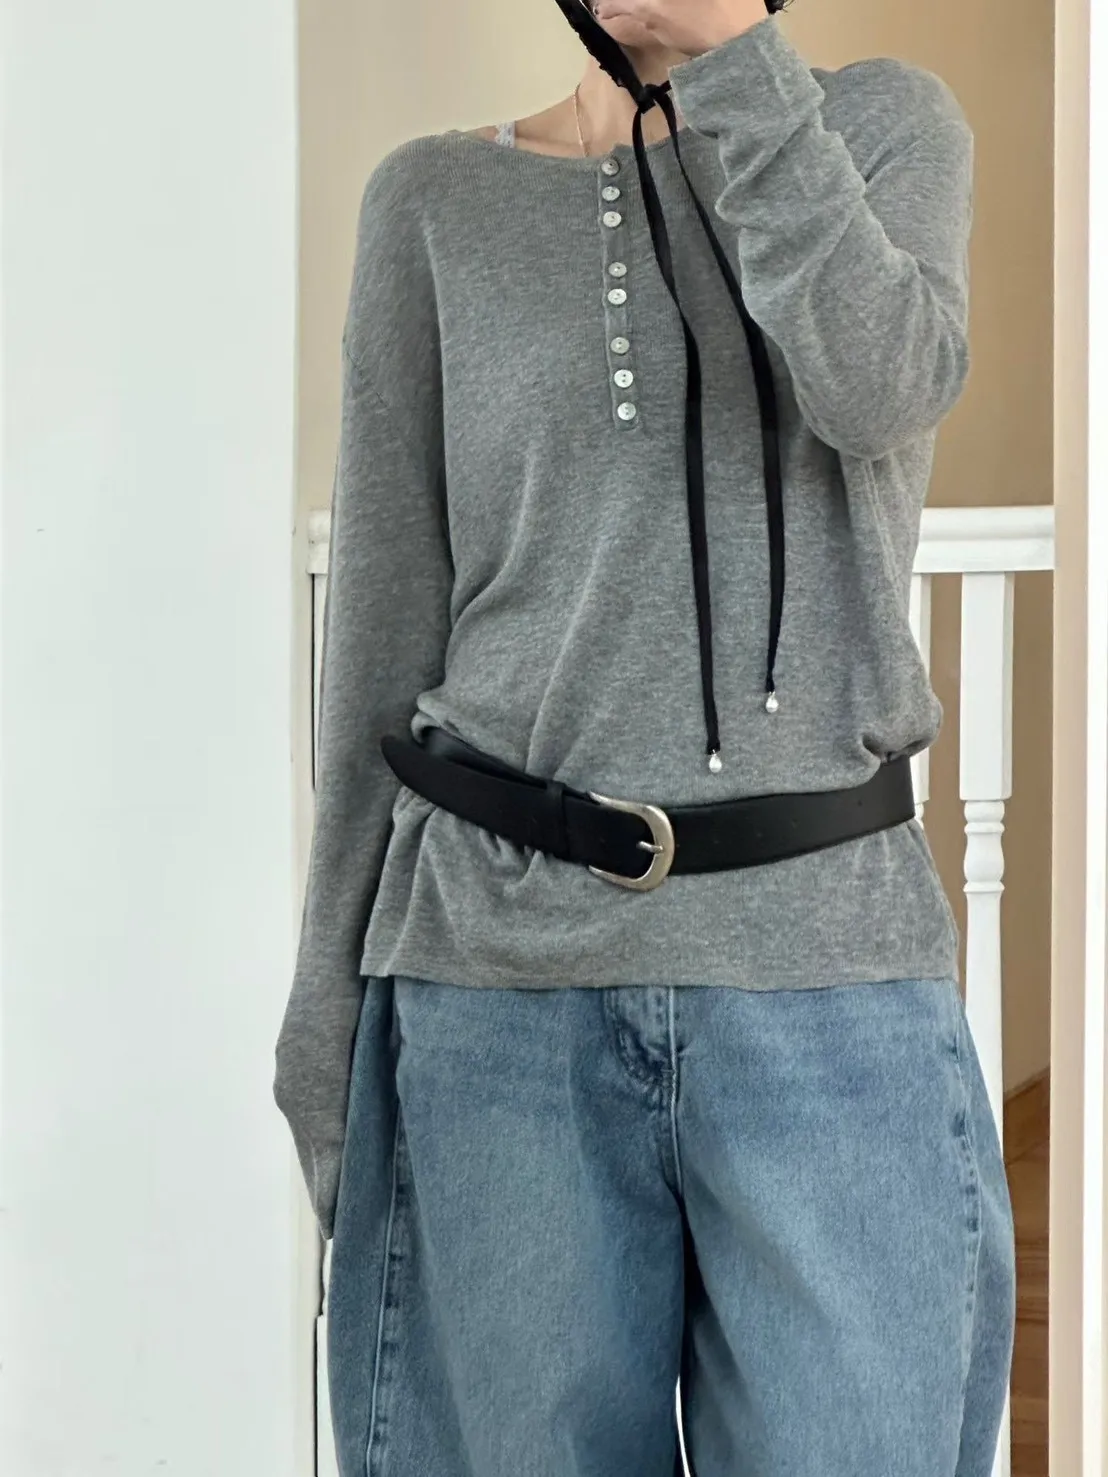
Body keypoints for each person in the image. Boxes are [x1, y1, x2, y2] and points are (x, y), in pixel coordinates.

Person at [273, 2, 1016, 1473]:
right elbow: (383, 632)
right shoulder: (432, 201)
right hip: (493, 986)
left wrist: (732, 60)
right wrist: (326, 1013)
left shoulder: (881, 128)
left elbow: (878, 386)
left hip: (826, 977)